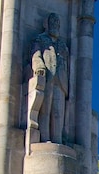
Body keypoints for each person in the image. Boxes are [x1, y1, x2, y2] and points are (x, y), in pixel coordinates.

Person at [27, 11, 70, 145]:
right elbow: (36, 55)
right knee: (45, 111)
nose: (55, 25)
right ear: (46, 24)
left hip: (60, 81)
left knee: (58, 112)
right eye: (53, 22)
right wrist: (39, 66)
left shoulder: (63, 44)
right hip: (46, 78)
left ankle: (57, 140)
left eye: (57, 23)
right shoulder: (40, 39)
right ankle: (45, 138)